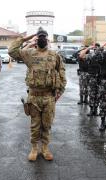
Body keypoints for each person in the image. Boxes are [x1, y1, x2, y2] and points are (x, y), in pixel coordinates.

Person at [8, 27, 66, 161]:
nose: (42, 39)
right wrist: (26, 38)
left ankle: (45, 148)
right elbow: (12, 51)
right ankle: (34, 148)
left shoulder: (54, 55)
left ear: (47, 39)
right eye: (39, 36)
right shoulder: (29, 54)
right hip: (34, 96)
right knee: (35, 125)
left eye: (44, 37)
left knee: (47, 124)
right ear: (36, 39)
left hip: (49, 96)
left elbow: (62, 74)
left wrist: (60, 91)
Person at [80, 43, 100, 116]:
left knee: (98, 95)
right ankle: (92, 110)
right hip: (92, 77)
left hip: (100, 79)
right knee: (91, 94)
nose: (96, 49)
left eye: (97, 48)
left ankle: (96, 110)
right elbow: (81, 55)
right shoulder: (91, 56)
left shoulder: (101, 55)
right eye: (95, 48)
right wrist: (88, 48)